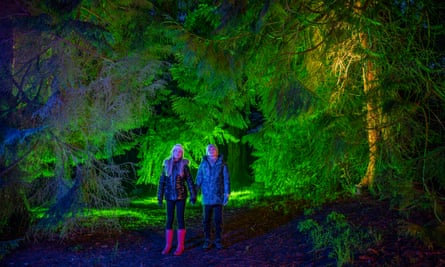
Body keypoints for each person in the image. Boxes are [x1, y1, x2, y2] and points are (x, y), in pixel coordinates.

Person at [157, 144, 196, 256]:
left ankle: (180, 245)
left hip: (180, 196)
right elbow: (162, 182)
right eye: (176, 151)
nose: (178, 153)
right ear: (173, 152)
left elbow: (189, 181)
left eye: (180, 152)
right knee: (169, 219)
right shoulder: (166, 165)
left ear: (182, 153)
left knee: (180, 219)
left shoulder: (184, 166)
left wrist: (193, 195)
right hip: (169, 196)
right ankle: (168, 245)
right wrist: (159, 197)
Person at [196, 144, 230, 250]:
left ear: (217, 150)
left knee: (218, 219)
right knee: (206, 220)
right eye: (209, 149)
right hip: (206, 196)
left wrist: (227, 193)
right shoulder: (203, 164)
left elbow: (226, 179)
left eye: (213, 148)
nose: (212, 150)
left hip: (218, 196)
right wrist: (194, 193)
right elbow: (199, 178)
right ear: (207, 151)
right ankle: (207, 240)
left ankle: (218, 240)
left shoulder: (222, 163)